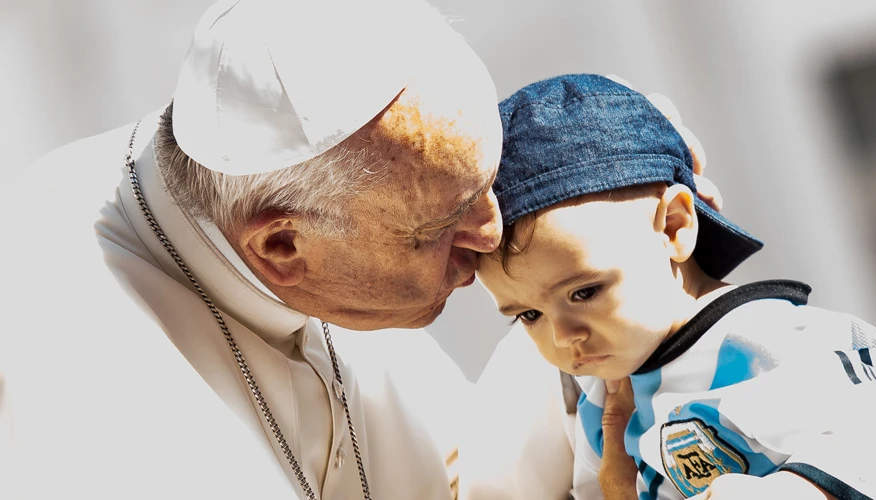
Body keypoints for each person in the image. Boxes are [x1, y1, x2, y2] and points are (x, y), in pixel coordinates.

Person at [0, 1, 721, 498]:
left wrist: (627, 252)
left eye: (488, 182)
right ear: (284, 247)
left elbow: (465, 466)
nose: (495, 234)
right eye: (445, 222)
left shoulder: (298, 208)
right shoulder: (74, 387)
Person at [472, 74, 876, 500]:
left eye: (584, 293)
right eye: (528, 315)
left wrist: (801, 489)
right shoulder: (593, 399)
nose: (563, 336)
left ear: (674, 227)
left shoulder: (771, 339)